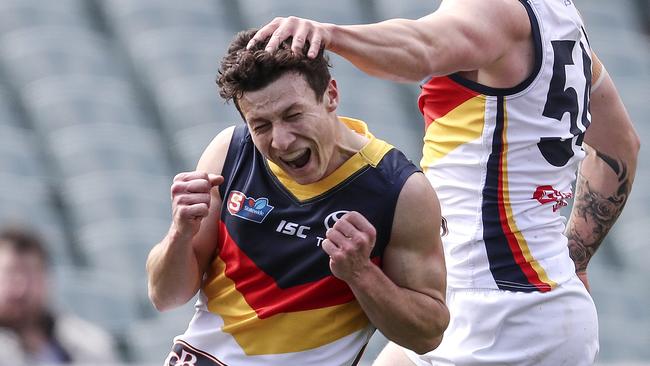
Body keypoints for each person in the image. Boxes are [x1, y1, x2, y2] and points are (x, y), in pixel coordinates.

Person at [249, 0, 641, 365]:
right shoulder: (560, 20)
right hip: (526, 302)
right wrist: (575, 260)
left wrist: (330, 34)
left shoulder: (492, 8)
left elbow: (421, 49)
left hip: (497, 312)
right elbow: (620, 147)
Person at [146, 28, 449, 366]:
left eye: (293, 115)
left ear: (331, 95)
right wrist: (179, 232)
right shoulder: (229, 152)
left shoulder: (399, 190)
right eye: (261, 125)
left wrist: (361, 274)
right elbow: (165, 297)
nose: (282, 140)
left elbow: (427, 335)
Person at [0, 224, 118, 365]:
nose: (21, 287)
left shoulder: (90, 343)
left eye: (30, 274)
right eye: (10, 273)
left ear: (47, 279)